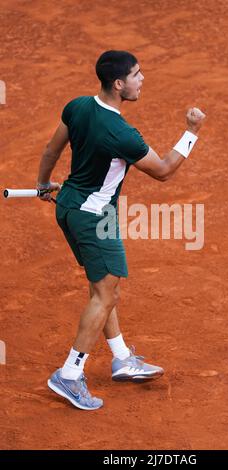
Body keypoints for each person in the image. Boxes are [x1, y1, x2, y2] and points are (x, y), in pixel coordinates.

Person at [37, 50, 205, 411]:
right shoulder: (121, 133)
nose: (142, 79)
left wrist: (42, 184)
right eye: (137, 74)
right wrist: (190, 132)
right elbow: (162, 170)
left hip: (68, 206)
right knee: (105, 294)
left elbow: (52, 150)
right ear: (119, 84)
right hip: (95, 218)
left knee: (104, 288)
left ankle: (122, 358)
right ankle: (69, 373)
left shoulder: (78, 106)